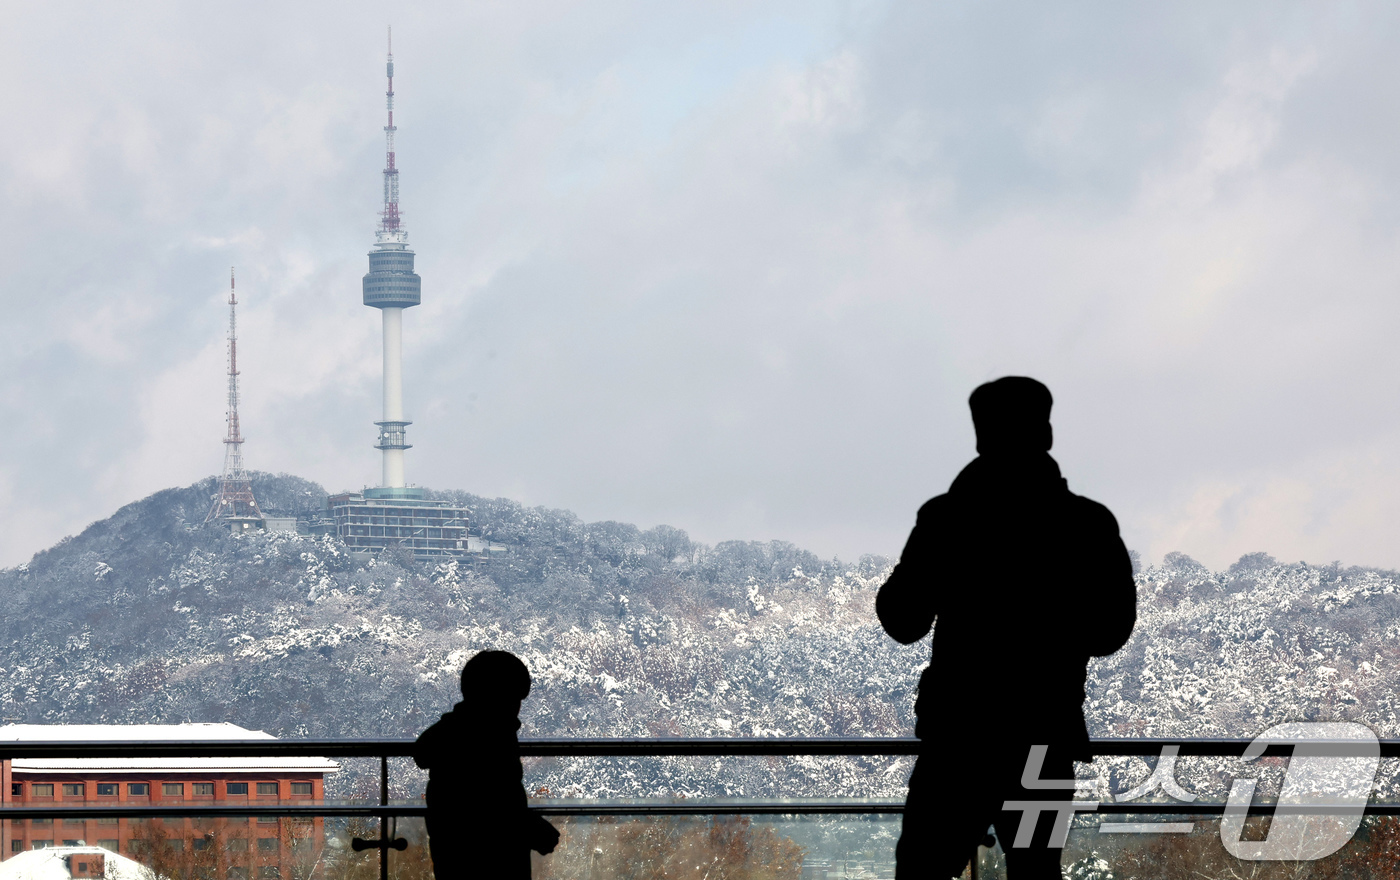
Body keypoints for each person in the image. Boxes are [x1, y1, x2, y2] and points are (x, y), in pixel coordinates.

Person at [876, 377, 1137, 880]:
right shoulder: (1087, 524)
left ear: (981, 438)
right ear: (1045, 433)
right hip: (1044, 731)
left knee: (922, 868)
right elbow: (1111, 630)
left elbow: (902, 620)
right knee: (1038, 871)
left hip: (959, 737)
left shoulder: (946, 520)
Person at [413, 650, 560, 880]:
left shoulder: (452, 735)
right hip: (496, 862)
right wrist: (532, 829)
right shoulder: (490, 741)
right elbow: (493, 807)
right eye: (513, 698)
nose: (517, 708)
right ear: (496, 697)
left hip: (455, 860)